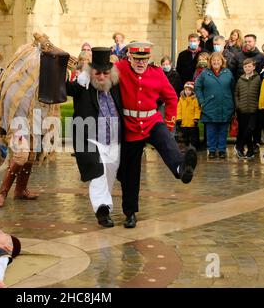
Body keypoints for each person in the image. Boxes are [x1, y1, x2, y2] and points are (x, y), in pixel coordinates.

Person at [114, 42, 198, 228]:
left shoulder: (157, 73)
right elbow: (103, 73)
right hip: (130, 125)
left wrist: (169, 122)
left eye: (144, 59)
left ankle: (181, 169)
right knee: (130, 172)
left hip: (152, 119)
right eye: (137, 59)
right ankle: (130, 213)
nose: (141, 63)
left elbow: (171, 97)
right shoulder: (120, 68)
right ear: (129, 57)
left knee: (167, 143)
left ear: (149, 59)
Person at [67, 47, 123, 228]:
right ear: (91, 72)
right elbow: (62, 88)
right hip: (90, 138)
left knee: (109, 174)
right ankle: (102, 210)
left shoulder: (116, 86)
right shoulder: (83, 86)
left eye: (105, 73)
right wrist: (66, 72)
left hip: (114, 139)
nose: (101, 77)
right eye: (97, 73)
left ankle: (104, 205)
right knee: (98, 172)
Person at [195, 52, 235, 159]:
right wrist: (201, 100)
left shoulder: (228, 73)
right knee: (211, 130)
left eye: (218, 60)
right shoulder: (204, 73)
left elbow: (233, 88)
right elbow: (197, 87)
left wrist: (232, 103)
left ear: (222, 62)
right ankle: (212, 150)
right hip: (209, 106)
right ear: (210, 62)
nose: (216, 62)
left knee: (223, 130)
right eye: (214, 61)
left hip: (225, 106)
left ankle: (222, 150)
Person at [234, 58, 261, 159]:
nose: (247, 68)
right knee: (245, 129)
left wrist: (259, 104)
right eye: (245, 66)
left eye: (249, 66)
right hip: (243, 110)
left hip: (254, 109)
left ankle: (239, 145)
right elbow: (236, 93)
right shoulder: (240, 79)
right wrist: (238, 105)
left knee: (251, 128)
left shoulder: (258, 78)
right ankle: (250, 150)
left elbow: (261, 93)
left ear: (253, 67)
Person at [177, 82, 201, 150]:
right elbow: (179, 109)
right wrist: (179, 118)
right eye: (186, 90)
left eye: (189, 90)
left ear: (192, 91)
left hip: (192, 122)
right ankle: (186, 146)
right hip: (184, 122)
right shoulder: (181, 99)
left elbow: (197, 109)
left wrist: (196, 118)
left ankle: (193, 147)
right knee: (185, 136)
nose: (187, 92)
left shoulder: (195, 99)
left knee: (193, 136)